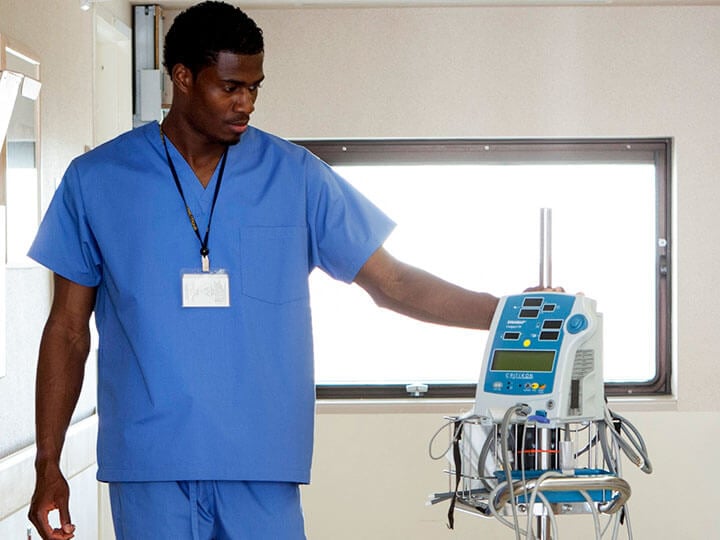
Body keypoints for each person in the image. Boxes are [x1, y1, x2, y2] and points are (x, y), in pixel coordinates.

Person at [27, 2, 500, 539]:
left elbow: (392, 284)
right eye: (230, 86)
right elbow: (67, 330)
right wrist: (48, 463)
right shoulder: (97, 180)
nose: (245, 102)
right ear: (182, 78)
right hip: (149, 464)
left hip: (262, 462)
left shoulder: (297, 177)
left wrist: (507, 313)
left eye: (254, 87)